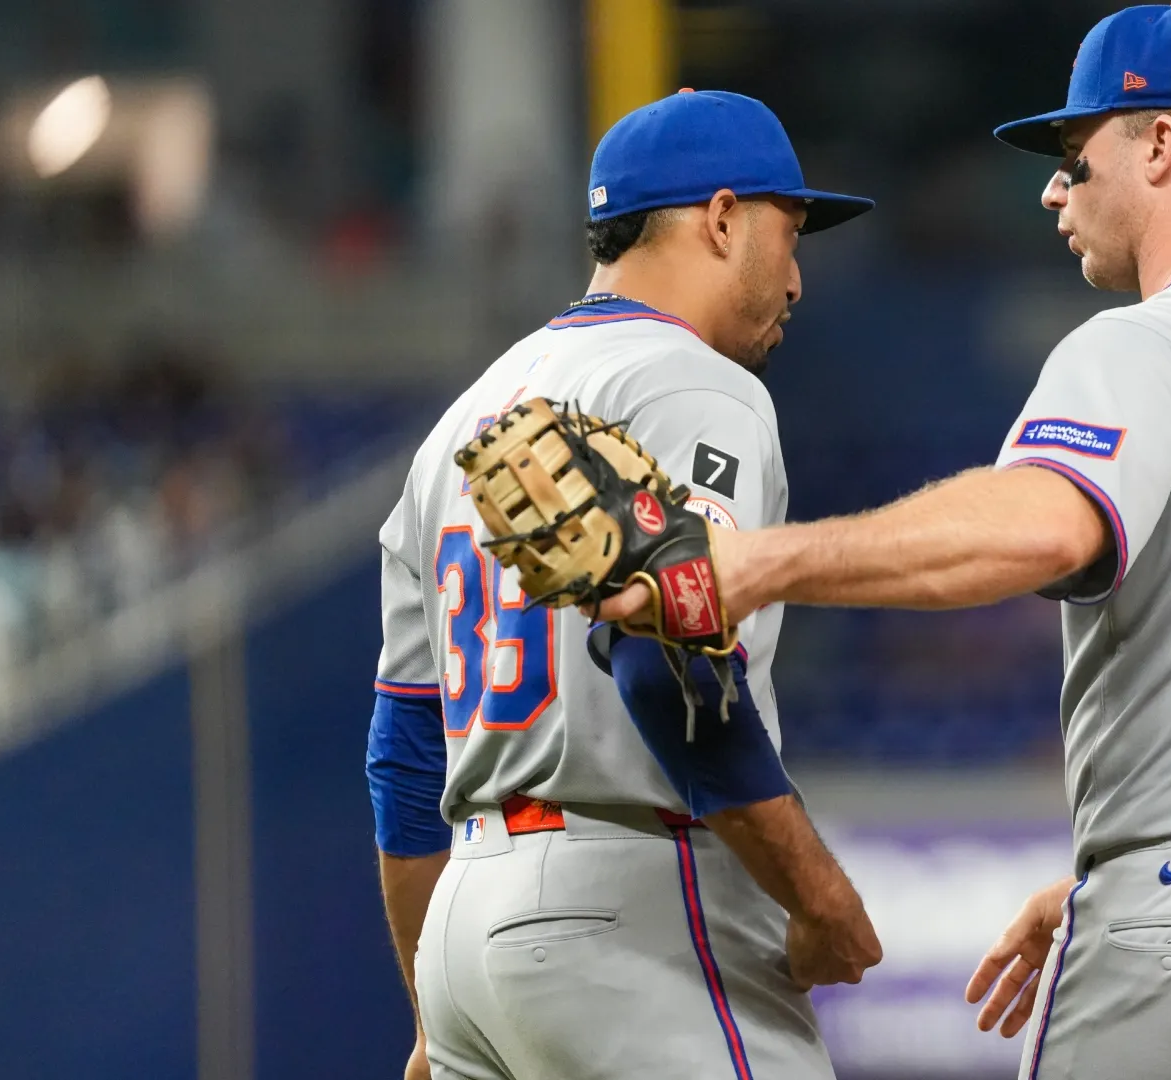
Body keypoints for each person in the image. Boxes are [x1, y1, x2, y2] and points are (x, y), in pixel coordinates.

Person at [598, 6, 1171, 1078]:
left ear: (1162, 144)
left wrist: (760, 561)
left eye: (1077, 158)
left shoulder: (1152, 343)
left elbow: (1042, 526)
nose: (1053, 191)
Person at [366, 89, 882, 1080]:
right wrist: (816, 893)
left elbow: (403, 753)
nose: (799, 279)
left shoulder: (463, 423)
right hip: (635, 906)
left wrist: (435, 1003)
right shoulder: (692, 383)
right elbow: (666, 662)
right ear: (723, 218)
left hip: (473, 925)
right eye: (790, 232)